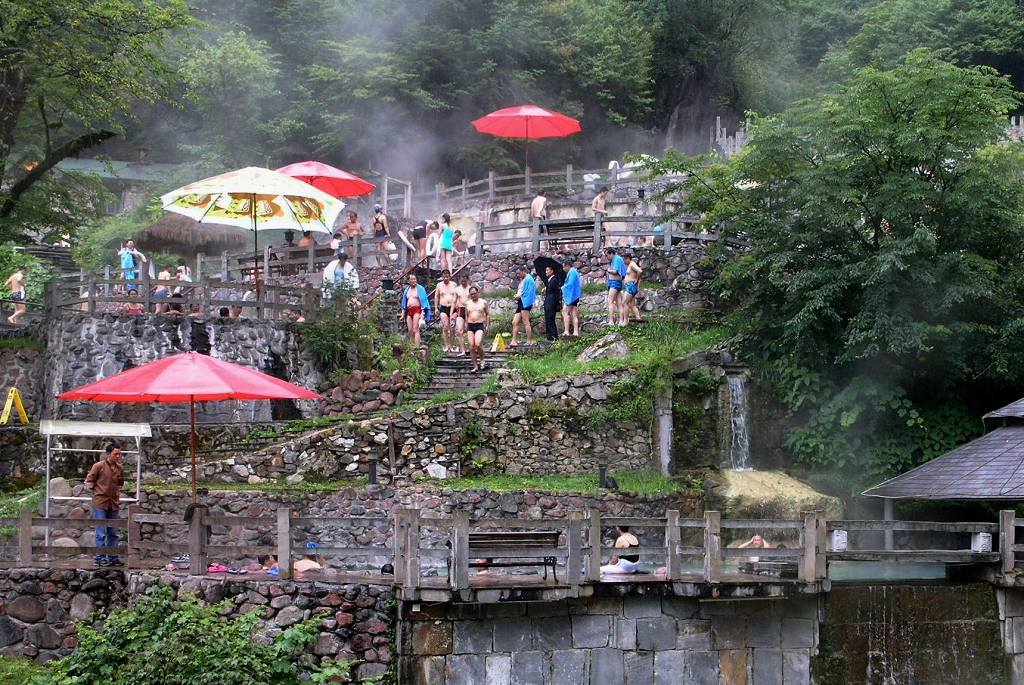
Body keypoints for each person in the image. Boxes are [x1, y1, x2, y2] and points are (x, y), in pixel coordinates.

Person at [85, 443, 125, 567]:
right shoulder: (98, 466)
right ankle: (100, 557)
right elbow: (89, 481)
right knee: (101, 531)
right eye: (115, 454)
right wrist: (95, 491)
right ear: (108, 454)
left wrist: (117, 493)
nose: (118, 456)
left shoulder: (120, 468)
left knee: (113, 531)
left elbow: (120, 483)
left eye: (119, 454)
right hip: (100, 502)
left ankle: (113, 556)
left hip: (113, 502)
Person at [464, 286, 490, 372]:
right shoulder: (467, 303)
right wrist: (465, 324)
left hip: (479, 325)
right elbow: (466, 315)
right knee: (471, 346)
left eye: (475, 293)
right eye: (471, 294)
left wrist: (487, 325)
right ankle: (475, 366)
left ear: (478, 293)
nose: (473, 295)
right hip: (470, 325)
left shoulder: (483, 302)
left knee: (478, 344)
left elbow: (488, 314)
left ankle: (482, 359)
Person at [401, 274, 431, 347]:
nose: (414, 281)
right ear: (408, 281)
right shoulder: (406, 290)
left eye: (415, 279)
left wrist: (423, 313)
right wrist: (402, 315)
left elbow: (424, 300)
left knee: (415, 329)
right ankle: (412, 347)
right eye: (412, 279)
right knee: (410, 331)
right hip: (409, 311)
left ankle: (417, 347)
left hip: (417, 310)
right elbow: (404, 303)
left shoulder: (420, 288)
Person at [510, 266, 536, 347]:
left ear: (523, 271)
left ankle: (529, 340)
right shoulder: (523, 280)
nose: (518, 275)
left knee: (525, 321)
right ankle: (514, 340)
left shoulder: (529, 279)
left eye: (519, 273)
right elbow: (521, 290)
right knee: (515, 322)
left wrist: (520, 296)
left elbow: (529, 292)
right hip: (521, 301)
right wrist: (517, 296)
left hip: (525, 302)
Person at [435, 269, 459, 354]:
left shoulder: (454, 284)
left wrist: (457, 304)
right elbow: (437, 297)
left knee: (452, 328)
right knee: (445, 327)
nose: (446, 278)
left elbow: (457, 296)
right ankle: (446, 345)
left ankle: (452, 346)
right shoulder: (439, 285)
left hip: (453, 308)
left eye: (447, 276)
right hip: (443, 307)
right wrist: (436, 308)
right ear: (442, 277)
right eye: (444, 276)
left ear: (450, 276)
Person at [605, 248, 627, 326]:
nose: (606, 257)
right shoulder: (615, 259)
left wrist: (608, 270)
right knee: (619, 303)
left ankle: (611, 321)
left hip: (615, 283)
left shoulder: (617, 259)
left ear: (611, 254)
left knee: (610, 301)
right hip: (616, 283)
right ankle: (621, 321)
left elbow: (615, 271)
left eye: (607, 255)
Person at [620, 253, 644, 325]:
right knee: (632, 305)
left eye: (624, 260)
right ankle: (638, 318)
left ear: (627, 259)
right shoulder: (631, 265)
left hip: (631, 286)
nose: (624, 262)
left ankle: (625, 321)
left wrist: (637, 280)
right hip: (631, 286)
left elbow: (640, 271)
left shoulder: (632, 264)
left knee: (625, 303)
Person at [561, 258, 581, 337]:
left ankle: (566, 331)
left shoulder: (572, 272)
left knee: (565, 312)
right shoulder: (574, 272)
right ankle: (575, 332)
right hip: (575, 296)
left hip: (571, 296)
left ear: (567, 266)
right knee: (574, 314)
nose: (563, 269)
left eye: (564, 267)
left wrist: (563, 287)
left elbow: (571, 284)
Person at [541, 265, 562, 341]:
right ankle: (549, 336)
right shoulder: (550, 281)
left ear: (552, 271)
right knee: (548, 319)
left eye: (547, 270)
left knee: (551, 319)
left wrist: (547, 288)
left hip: (551, 303)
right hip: (548, 302)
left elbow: (554, 293)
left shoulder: (554, 280)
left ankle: (553, 336)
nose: (546, 272)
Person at [452, 274, 471, 357]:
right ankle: (463, 350)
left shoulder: (471, 289)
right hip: (460, 309)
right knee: (459, 331)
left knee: (469, 330)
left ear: (467, 280)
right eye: (461, 280)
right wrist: (451, 313)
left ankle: (472, 348)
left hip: (469, 310)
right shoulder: (457, 289)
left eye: (464, 280)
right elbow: (454, 301)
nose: (463, 282)